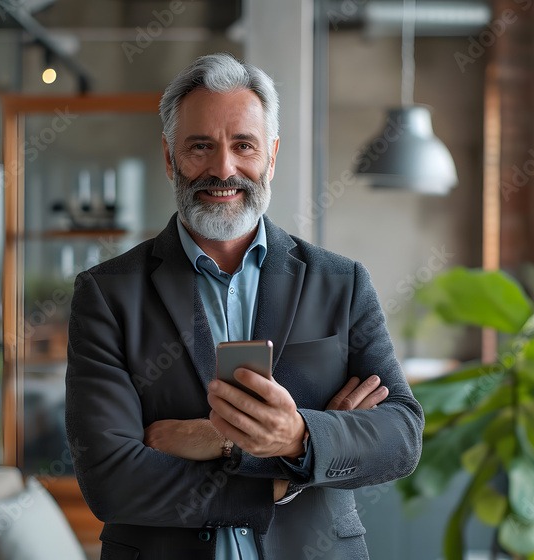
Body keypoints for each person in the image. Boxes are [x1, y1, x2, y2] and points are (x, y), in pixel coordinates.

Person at [65, 52, 423, 560]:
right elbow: (111, 481)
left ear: (271, 157)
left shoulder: (340, 282)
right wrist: (284, 478)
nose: (223, 168)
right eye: (200, 147)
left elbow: (401, 436)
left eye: (244, 146)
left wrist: (287, 435)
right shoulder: (108, 293)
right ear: (170, 157)